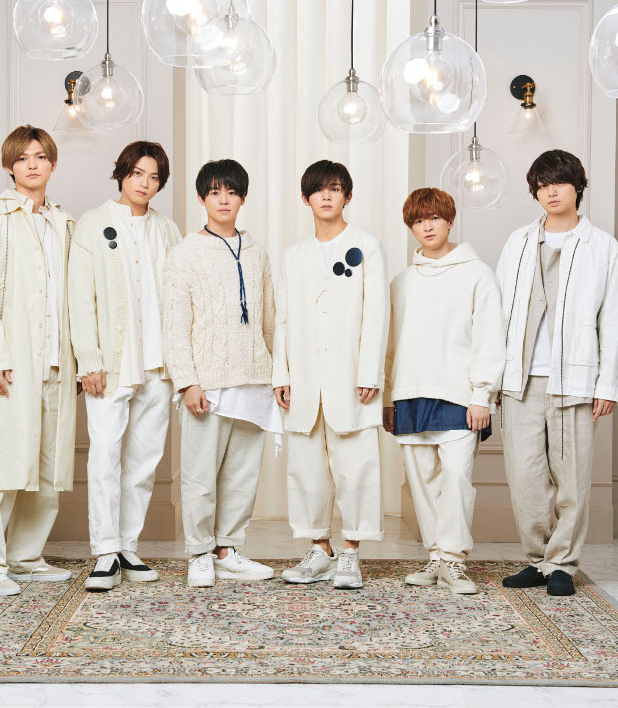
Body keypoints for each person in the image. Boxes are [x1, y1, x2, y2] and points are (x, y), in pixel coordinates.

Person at [495, 150, 618, 597]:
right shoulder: (518, 242)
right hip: (520, 380)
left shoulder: (603, 246)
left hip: (575, 379)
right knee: (525, 479)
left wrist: (607, 384)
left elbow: (613, 319)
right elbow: (498, 315)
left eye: (560, 182)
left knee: (572, 479)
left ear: (577, 186)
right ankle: (537, 559)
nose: (551, 191)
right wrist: (493, 380)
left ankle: (562, 563)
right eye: (543, 184)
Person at [0, 125, 77, 596]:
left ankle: (26, 557)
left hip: (56, 361)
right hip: (9, 363)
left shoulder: (64, 222)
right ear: (9, 166)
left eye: (40, 156)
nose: (32, 164)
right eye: (23, 158)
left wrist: (77, 359)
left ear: (52, 163)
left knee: (48, 467)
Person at [69, 141, 182, 591]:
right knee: (105, 456)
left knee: (144, 461)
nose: (145, 184)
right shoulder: (93, 224)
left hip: (158, 363)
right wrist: (89, 360)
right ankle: (105, 550)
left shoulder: (168, 230)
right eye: (137, 174)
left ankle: (128, 546)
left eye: (153, 178)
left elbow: (178, 297)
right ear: (122, 174)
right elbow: (80, 298)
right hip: (111, 365)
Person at [162, 159, 280, 588]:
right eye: (215, 192)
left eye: (231, 192)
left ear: (243, 198)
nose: (224, 199)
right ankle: (199, 552)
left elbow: (270, 319)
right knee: (200, 472)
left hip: (254, 376)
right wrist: (187, 381)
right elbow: (174, 325)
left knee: (243, 473)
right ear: (202, 199)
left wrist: (277, 374)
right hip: (207, 381)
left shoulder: (257, 252)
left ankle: (228, 549)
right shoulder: (185, 254)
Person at [382, 188, 505, 594]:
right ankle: (436, 556)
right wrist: (388, 397)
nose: (427, 226)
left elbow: (490, 337)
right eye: (419, 220)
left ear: (450, 220)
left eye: (434, 217)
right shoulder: (401, 282)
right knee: (422, 481)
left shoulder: (477, 273)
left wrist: (482, 395)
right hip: (409, 391)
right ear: (411, 227)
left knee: (456, 478)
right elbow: (390, 345)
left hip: (459, 394)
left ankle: (453, 560)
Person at [274, 160, 388, 590]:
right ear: (305, 198)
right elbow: (283, 319)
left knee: (356, 466)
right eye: (319, 189)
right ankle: (320, 550)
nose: (326, 196)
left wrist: (370, 371)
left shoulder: (367, 246)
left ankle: (351, 552)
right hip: (303, 377)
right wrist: (281, 374)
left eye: (335, 188)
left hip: (352, 376)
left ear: (348, 196)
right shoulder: (294, 255)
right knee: (306, 468)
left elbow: (377, 312)